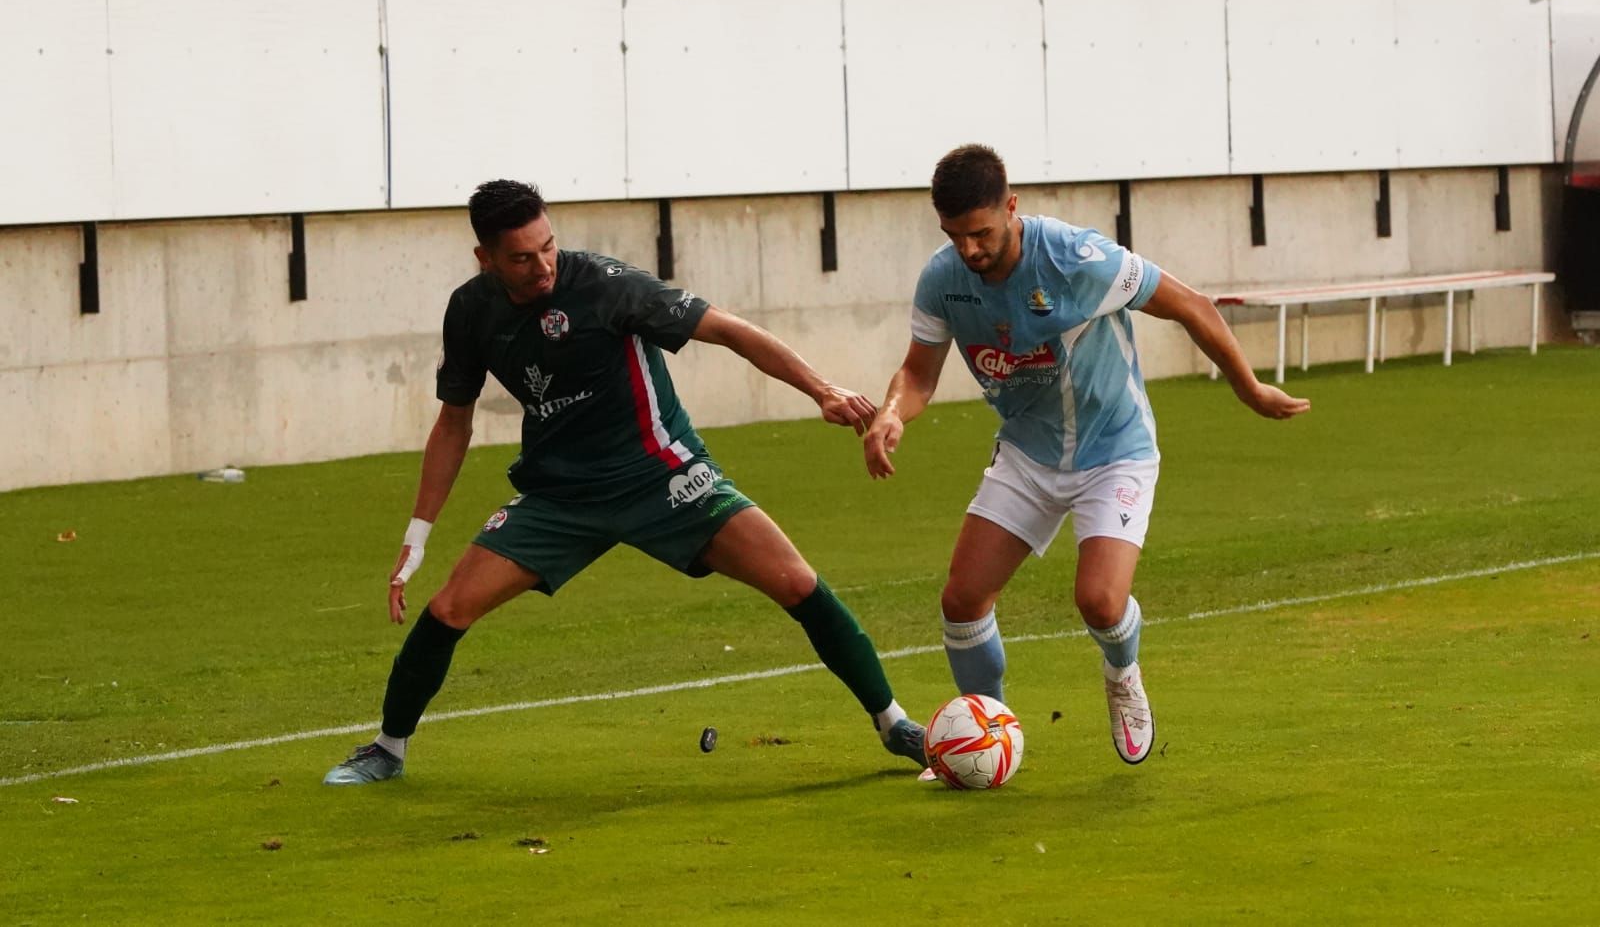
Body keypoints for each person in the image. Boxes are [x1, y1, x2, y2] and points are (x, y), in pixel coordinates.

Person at [324, 180, 927, 785]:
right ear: (485, 259)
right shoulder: (470, 310)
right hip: (561, 497)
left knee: (796, 581)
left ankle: (893, 722)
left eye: (548, 247)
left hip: (663, 477)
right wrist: (418, 533)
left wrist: (824, 389)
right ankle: (387, 749)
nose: (542, 266)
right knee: (450, 607)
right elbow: (454, 421)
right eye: (522, 257)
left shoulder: (607, 286)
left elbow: (730, 330)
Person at [862, 144, 1309, 768]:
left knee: (1098, 601)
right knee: (962, 601)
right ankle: (991, 740)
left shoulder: (1076, 258)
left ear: (1012, 208)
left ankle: (1123, 673)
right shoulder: (943, 279)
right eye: (954, 235)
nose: (968, 250)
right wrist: (890, 413)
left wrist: (1249, 388)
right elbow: (918, 374)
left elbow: (1190, 305)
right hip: (1027, 452)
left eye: (980, 233)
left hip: (1114, 448)